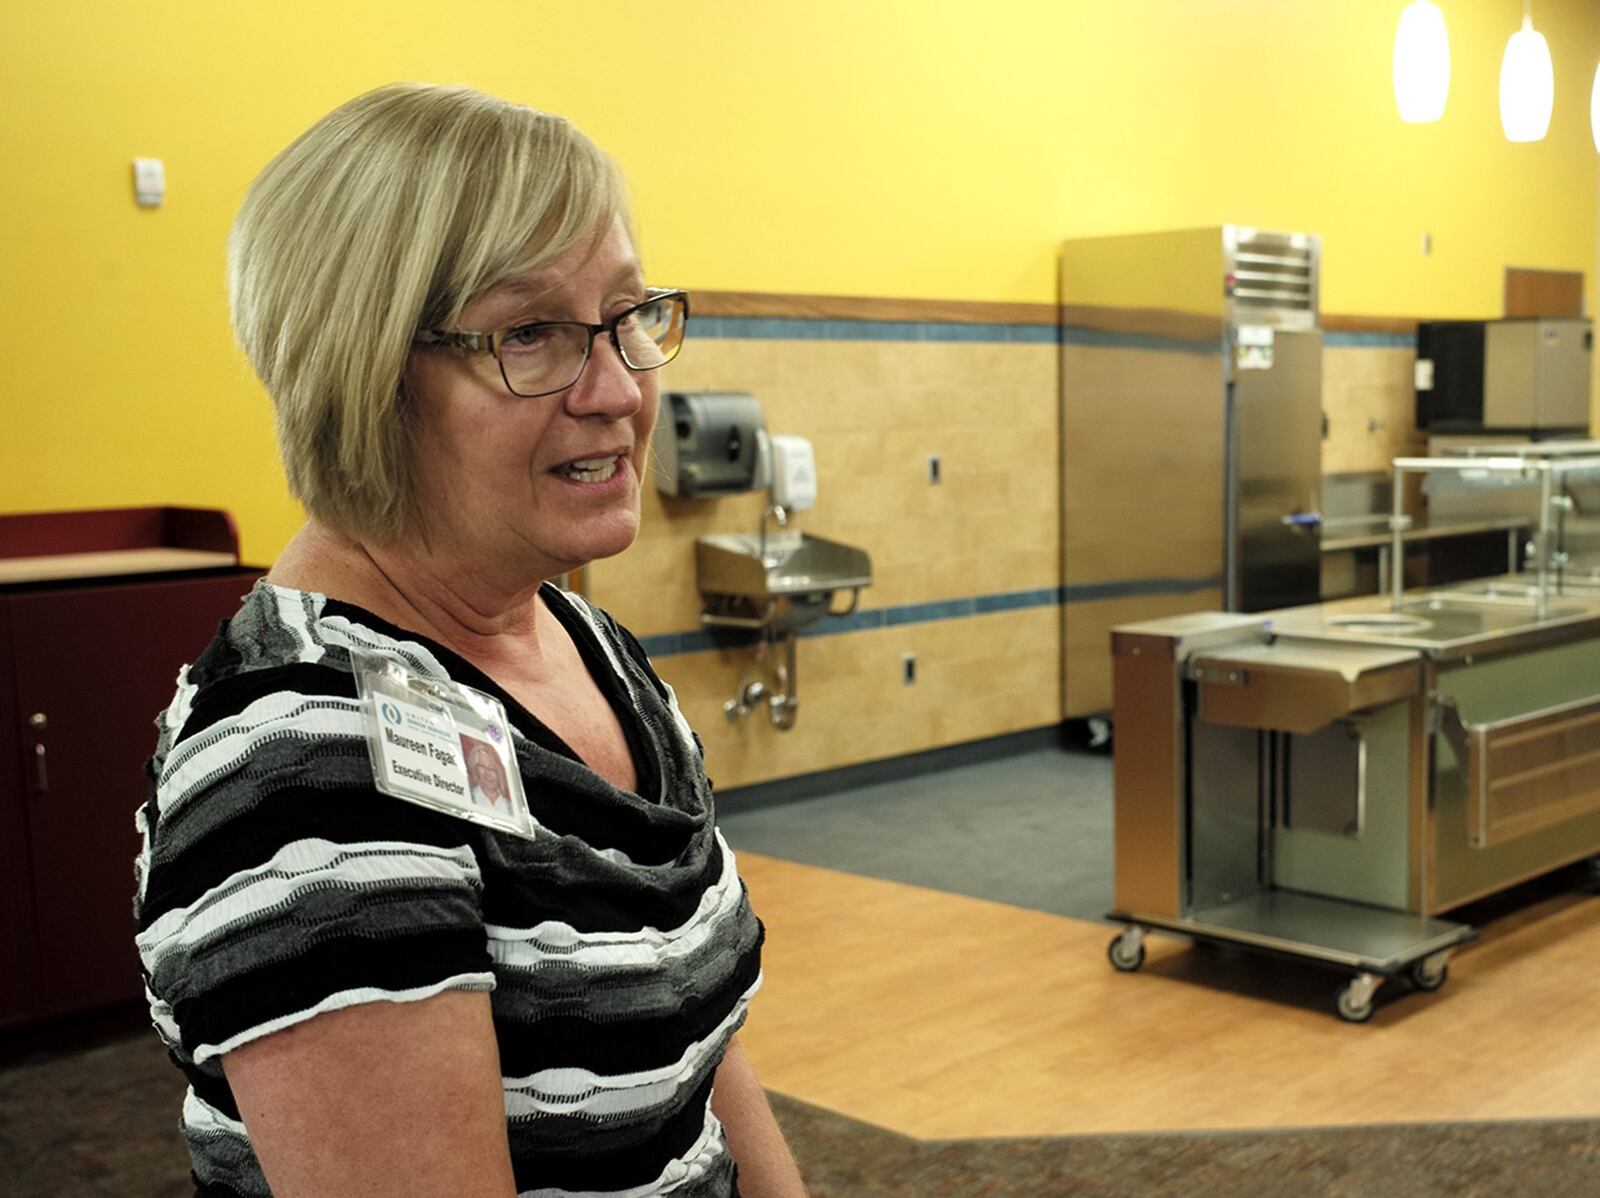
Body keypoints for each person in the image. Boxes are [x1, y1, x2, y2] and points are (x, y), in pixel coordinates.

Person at [133, 82, 805, 1198]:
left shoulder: (584, 643)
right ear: (363, 370)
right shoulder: (302, 778)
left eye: (629, 318)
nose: (618, 388)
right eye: (532, 334)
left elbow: (695, 1036)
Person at [462, 735, 513, 813]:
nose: (488, 773)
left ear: (499, 772)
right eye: (482, 766)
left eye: (492, 768)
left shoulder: (511, 808)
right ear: (475, 769)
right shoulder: (466, 795)